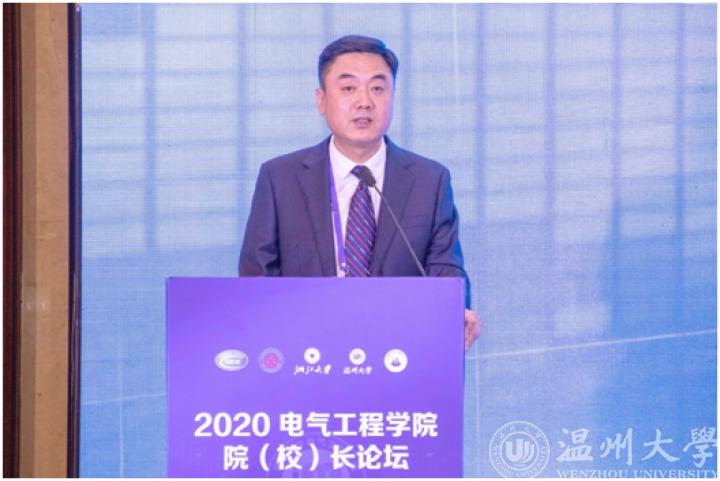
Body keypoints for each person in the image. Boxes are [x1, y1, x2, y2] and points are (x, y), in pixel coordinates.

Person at [239, 35, 481, 351]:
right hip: (306, 354)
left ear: (393, 97)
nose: (364, 101)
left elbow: (446, 268)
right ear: (321, 100)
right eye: (348, 88)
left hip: (399, 351)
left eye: (378, 89)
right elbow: (257, 278)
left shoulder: (429, 180)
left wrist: (454, 308)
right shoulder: (279, 178)